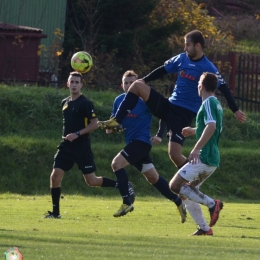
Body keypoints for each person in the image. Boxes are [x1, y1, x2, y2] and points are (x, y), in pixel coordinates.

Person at [97, 30, 246, 172]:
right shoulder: (182, 58)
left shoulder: (208, 67)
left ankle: (192, 181)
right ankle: (117, 120)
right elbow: (163, 69)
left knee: (174, 155)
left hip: (183, 114)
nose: (185, 47)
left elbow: (224, 88)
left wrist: (235, 109)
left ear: (197, 46)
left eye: (188, 44)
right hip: (168, 106)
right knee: (137, 86)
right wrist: (145, 79)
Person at [45, 71, 135, 219]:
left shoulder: (85, 103)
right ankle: (55, 213)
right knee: (55, 176)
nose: (74, 85)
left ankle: (123, 185)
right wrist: (69, 136)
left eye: (76, 82)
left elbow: (94, 124)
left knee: (92, 181)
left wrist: (77, 134)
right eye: (71, 82)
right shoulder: (65, 102)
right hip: (66, 145)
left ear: (81, 85)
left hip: (81, 146)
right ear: (67, 84)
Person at [106, 70, 186, 221]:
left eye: (132, 82)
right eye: (126, 83)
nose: (129, 85)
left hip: (142, 143)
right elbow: (116, 121)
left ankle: (126, 202)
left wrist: (159, 135)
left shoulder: (144, 100)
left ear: (139, 83)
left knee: (116, 164)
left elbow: (164, 115)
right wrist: (110, 128)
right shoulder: (119, 101)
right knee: (153, 178)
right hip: (132, 144)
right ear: (122, 85)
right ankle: (178, 201)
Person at [169, 72, 223, 235]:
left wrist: (196, 148)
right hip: (212, 159)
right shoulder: (216, 104)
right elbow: (211, 127)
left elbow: (211, 127)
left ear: (201, 86)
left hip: (204, 157)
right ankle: (204, 228)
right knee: (189, 193)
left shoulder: (207, 103)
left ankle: (213, 204)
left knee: (175, 185)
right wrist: (194, 131)